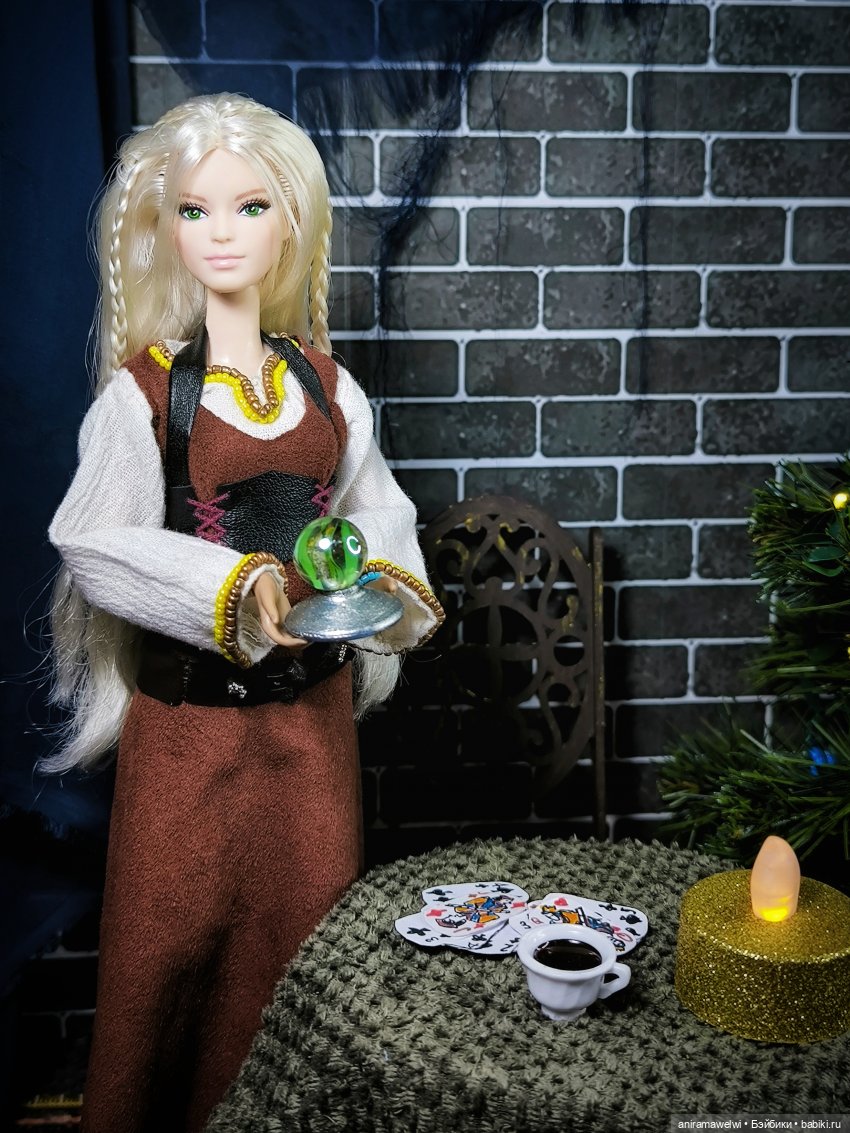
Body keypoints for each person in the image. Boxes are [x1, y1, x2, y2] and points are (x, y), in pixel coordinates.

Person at [45, 92, 443, 1133]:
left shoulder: (328, 388)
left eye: (249, 206)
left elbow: (379, 513)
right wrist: (226, 589)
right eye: (196, 210)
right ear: (166, 228)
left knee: (306, 953)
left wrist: (381, 590)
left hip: (308, 734)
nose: (221, 233)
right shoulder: (144, 396)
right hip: (191, 739)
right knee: (165, 958)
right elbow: (89, 537)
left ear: (289, 222)